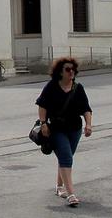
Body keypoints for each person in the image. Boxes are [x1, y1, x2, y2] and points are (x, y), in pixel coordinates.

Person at [35, 57, 92, 207]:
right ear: (60, 72)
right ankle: (71, 193)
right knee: (66, 157)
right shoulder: (52, 86)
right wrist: (43, 124)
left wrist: (89, 125)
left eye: (73, 69)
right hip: (57, 130)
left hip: (75, 129)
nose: (71, 72)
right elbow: (42, 105)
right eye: (68, 69)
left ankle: (59, 186)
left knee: (66, 157)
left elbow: (86, 108)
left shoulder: (78, 88)